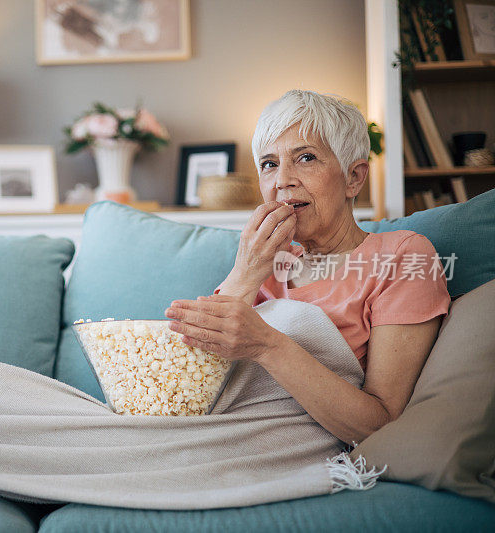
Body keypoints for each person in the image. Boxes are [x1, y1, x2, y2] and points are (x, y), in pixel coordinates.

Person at [165, 90, 451, 445]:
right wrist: (246, 272)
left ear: (354, 178)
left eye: (305, 157)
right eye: (269, 164)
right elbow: (184, 393)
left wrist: (268, 345)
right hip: (214, 431)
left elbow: (382, 424)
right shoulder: (264, 264)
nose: (283, 179)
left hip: (289, 445)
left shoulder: (403, 256)